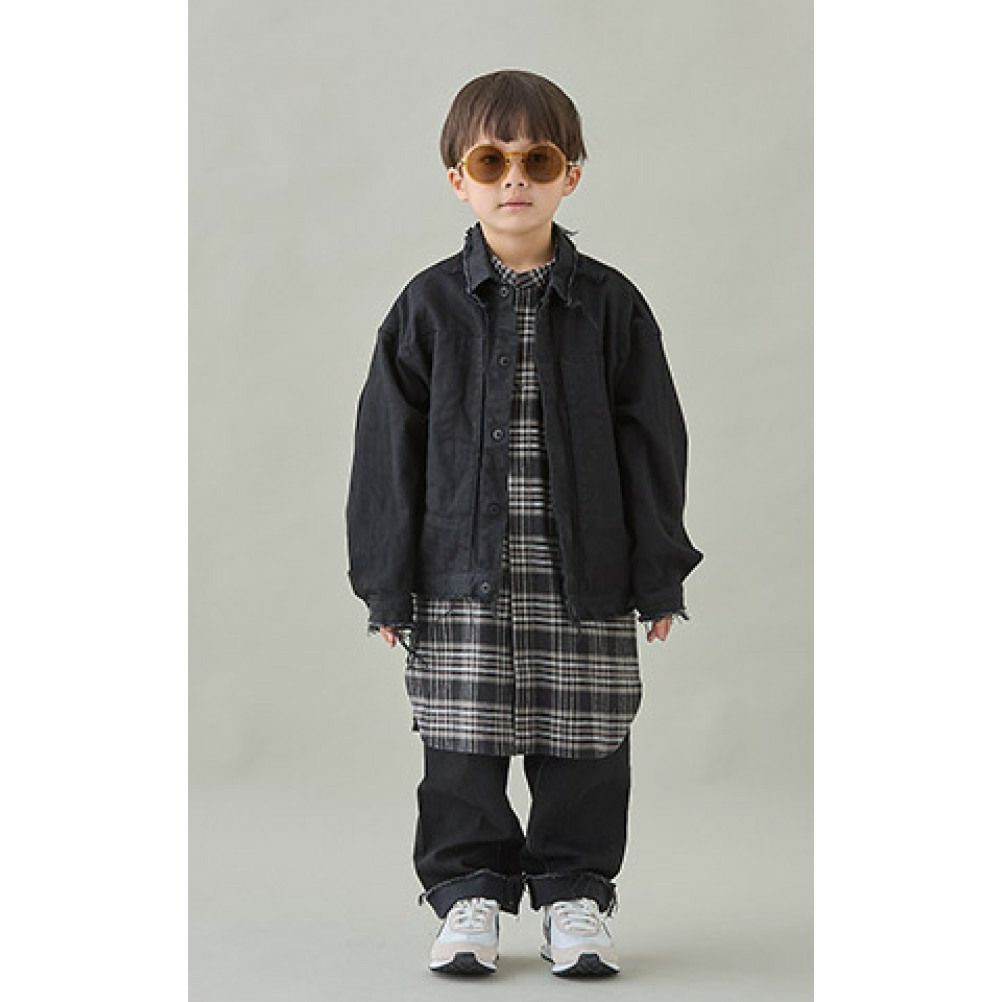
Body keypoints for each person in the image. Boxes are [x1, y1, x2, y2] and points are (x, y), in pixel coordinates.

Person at [345, 68, 703, 977]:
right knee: (460, 748)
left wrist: (658, 572)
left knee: (586, 744)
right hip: (459, 571)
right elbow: (386, 452)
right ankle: (467, 896)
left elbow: (654, 443)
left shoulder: (612, 306)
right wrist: (385, 581)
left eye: (537, 160)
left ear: (570, 174)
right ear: (457, 179)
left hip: (583, 570)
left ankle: (574, 895)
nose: (515, 178)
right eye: (490, 161)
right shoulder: (425, 308)